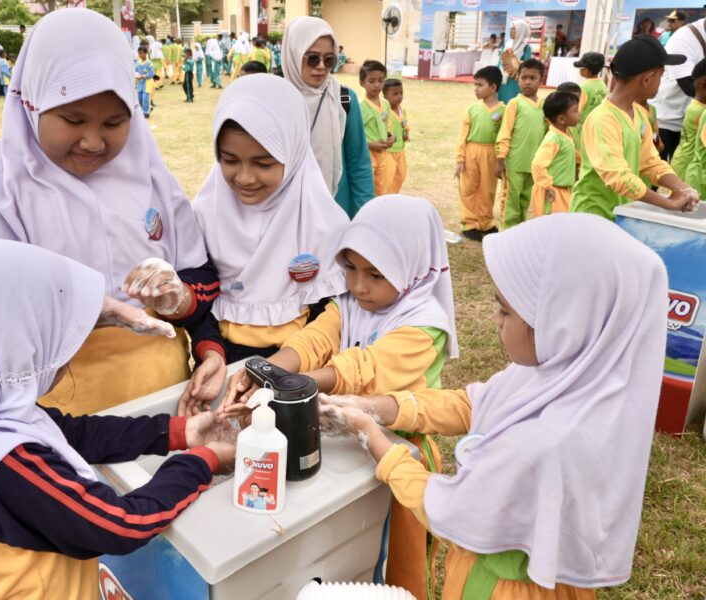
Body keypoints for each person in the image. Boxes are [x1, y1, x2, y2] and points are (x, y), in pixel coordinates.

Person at [320, 212, 668, 600]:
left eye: (505, 310)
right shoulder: (573, 379)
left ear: (562, 321)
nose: (494, 319)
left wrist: (374, 438)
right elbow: (471, 403)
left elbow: (448, 509)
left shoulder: (539, 444)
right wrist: (378, 407)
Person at [0, 238, 236, 600]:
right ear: (13, 349)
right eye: (58, 335)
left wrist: (180, 431)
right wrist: (202, 460)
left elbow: (75, 433)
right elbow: (120, 524)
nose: (73, 346)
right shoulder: (6, 463)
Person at [0, 9, 227, 417]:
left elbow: (198, 278)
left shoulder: (149, 175)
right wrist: (74, 312)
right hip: (55, 416)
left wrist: (186, 309)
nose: (93, 142)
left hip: (167, 403)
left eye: (114, 122)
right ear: (33, 104)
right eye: (72, 120)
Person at [221, 195, 458, 600]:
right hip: (344, 438)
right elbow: (313, 340)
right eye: (349, 267)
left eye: (375, 274)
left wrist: (289, 387)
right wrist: (267, 368)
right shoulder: (350, 303)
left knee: (394, 565)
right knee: (346, 558)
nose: (358, 285)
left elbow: (361, 368)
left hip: (396, 452)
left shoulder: (424, 327)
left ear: (410, 267)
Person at [184, 74, 348, 393]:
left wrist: (287, 369)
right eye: (229, 160)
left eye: (263, 163)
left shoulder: (325, 224)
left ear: (294, 153)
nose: (245, 177)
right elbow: (199, 302)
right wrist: (211, 352)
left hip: (300, 364)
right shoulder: (204, 215)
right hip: (221, 363)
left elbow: (331, 313)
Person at [571, 35, 699, 220]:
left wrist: (683, 188)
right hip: (594, 216)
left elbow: (651, 162)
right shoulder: (603, 119)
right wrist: (668, 203)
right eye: (661, 76)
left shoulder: (639, 114)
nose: (661, 83)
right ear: (647, 79)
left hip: (619, 213)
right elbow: (618, 177)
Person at [282, 16, 375, 218]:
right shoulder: (276, 99)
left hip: (336, 212)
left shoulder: (344, 99)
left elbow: (359, 163)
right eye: (312, 58)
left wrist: (364, 220)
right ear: (293, 54)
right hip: (286, 213)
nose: (322, 66)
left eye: (330, 59)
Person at [495, 58, 546, 229]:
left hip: (533, 166)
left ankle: (517, 235)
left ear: (541, 80)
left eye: (533, 78)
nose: (527, 82)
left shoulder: (544, 106)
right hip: (514, 165)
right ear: (517, 79)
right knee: (510, 203)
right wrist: (501, 159)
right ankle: (505, 236)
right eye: (524, 78)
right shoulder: (515, 104)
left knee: (524, 204)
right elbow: (505, 133)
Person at [455, 66, 504, 241]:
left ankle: (485, 222)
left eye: (480, 85)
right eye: (475, 84)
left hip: (491, 153)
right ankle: (469, 223)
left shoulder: (503, 110)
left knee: (487, 188)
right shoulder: (472, 109)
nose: (475, 88)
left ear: (493, 87)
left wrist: (502, 159)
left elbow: (504, 137)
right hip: (471, 151)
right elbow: (463, 135)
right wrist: (460, 158)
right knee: (468, 187)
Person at [651, 17, 706, 160]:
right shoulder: (684, 38)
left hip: (690, 121)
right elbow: (689, 87)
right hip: (666, 120)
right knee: (657, 168)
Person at [531, 91, 580, 217]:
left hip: (563, 190)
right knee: (552, 229)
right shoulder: (554, 139)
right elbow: (537, 164)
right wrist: (548, 187)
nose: (579, 113)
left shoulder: (565, 135)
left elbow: (570, 153)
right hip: (553, 192)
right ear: (562, 119)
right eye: (575, 111)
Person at [360, 60, 396, 196]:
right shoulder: (360, 107)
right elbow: (355, 136)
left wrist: (392, 136)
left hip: (384, 155)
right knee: (368, 191)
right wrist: (370, 145)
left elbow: (388, 126)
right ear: (362, 83)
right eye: (372, 81)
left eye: (381, 81)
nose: (377, 85)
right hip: (368, 157)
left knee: (383, 190)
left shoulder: (386, 104)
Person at [670, 58, 706, 176]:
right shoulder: (701, 112)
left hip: (680, 161)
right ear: (704, 85)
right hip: (686, 168)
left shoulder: (695, 106)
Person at [497, 19, 532, 104]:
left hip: (515, 81)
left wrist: (516, 63)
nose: (511, 31)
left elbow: (527, 66)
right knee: (501, 104)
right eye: (511, 29)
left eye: (514, 29)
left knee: (513, 104)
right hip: (503, 80)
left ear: (521, 31)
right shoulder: (506, 44)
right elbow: (499, 62)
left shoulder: (526, 48)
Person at [383, 78, 408, 193]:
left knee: (401, 176)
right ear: (385, 96)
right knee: (387, 179)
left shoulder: (402, 110)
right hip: (389, 152)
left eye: (401, 93)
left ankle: (393, 196)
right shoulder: (384, 112)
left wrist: (406, 134)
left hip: (400, 151)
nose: (399, 97)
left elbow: (405, 124)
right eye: (395, 94)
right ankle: (385, 198)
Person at [574, 52, 607, 125]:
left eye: (581, 68)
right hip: (595, 123)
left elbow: (578, 109)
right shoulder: (603, 85)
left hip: (583, 124)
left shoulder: (584, 87)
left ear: (586, 70)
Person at [135, 45, 154, 117]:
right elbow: (135, 71)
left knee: (145, 98)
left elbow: (152, 74)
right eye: (139, 53)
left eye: (141, 53)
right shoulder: (137, 63)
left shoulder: (149, 64)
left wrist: (144, 76)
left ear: (146, 53)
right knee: (139, 97)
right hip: (140, 83)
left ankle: (146, 112)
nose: (140, 55)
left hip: (147, 83)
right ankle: (143, 110)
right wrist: (136, 75)